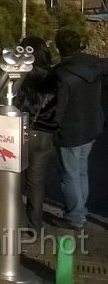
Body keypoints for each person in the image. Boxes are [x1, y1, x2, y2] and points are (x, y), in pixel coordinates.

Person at [51, 27, 107, 230]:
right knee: (81, 171)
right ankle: (80, 211)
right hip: (92, 126)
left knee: (70, 174)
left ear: (59, 48)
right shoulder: (95, 64)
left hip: (71, 132)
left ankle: (75, 217)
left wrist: (51, 128)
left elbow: (58, 109)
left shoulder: (60, 75)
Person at [14, 36, 57, 230]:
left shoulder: (19, 75)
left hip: (20, 131)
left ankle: (17, 221)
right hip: (44, 134)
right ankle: (35, 224)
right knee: (36, 182)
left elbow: (5, 103)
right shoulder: (53, 76)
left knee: (15, 181)